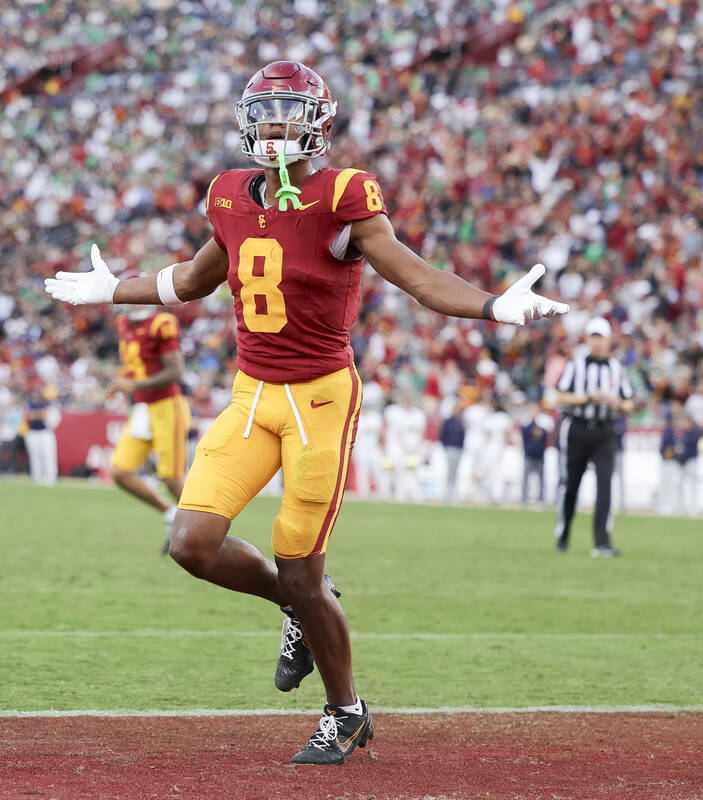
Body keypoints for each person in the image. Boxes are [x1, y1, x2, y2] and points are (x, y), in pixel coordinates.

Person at [43, 60, 567, 765]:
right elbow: (197, 278)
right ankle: (293, 607)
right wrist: (117, 291)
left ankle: (346, 712)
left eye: (289, 113)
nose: (274, 126)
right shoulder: (230, 194)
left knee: (302, 568)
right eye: (264, 113)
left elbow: (413, 274)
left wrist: (492, 304)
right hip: (250, 395)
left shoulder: (344, 193)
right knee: (191, 543)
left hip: (319, 400)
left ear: (318, 122)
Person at [109, 308, 192, 553]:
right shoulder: (124, 322)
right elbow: (137, 365)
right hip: (143, 408)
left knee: (171, 477)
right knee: (120, 471)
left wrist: (134, 385)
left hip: (168, 406)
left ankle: (209, 531)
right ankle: (169, 513)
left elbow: (176, 372)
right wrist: (123, 382)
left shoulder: (161, 323)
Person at [552, 317, 634, 556]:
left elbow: (629, 403)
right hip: (577, 428)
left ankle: (602, 541)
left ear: (609, 340)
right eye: (593, 337)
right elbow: (560, 396)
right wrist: (588, 397)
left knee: (605, 486)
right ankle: (564, 532)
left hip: (604, 430)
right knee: (571, 486)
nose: (597, 342)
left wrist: (616, 402)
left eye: (601, 337)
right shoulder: (576, 365)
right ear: (588, 339)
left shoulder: (617, 368)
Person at [382, 387, 427, 503]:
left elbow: (422, 432)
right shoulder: (394, 412)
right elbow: (392, 431)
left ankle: (414, 495)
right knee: (394, 470)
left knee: (414, 471)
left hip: (414, 448)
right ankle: (389, 493)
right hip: (397, 448)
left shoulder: (418, 414)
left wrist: (418, 446)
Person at [351, 381, 385, 498]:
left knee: (377, 469)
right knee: (362, 471)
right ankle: (363, 493)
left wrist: (381, 444)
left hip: (373, 446)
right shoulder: (357, 418)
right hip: (361, 447)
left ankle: (381, 492)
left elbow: (381, 433)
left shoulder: (375, 417)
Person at [25, 384, 62, 487]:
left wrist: (39, 415)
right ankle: (37, 477)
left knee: (48, 455)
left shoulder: (50, 406)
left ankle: (50, 477)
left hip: (45, 432)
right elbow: (30, 417)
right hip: (33, 432)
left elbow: (47, 418)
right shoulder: (31, 404)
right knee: (35, 456)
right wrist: (40, 414)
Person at [520, 407, 550, 507]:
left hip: (539, 456)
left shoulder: (542, 425)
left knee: (541, 478)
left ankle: (541, 499)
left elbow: (545, 435)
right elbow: (524, 433)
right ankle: (524, 499)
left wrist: (539, 432)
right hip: (529, 455)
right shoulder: (526, 425)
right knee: (525, 478)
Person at [438, 400, 466, 504]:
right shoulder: (448, 421)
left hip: (458, 449)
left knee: (455, 472)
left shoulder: (460, 422)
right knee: (449, 471)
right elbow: (442, 435)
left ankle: (453, 494)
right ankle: (447, 493)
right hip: (449, 449)